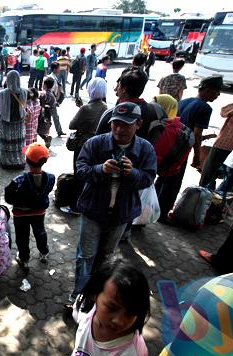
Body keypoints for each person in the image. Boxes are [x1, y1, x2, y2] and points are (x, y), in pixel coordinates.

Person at [70, 103, 156, 303]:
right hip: (93, 210)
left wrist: (132, 172)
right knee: (86, 256)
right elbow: (81, 170)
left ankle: (96, 296)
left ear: (139, 124)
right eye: (115, 124)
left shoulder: (145, 149)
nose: (119, 129)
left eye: (126, 125)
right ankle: (78, 296)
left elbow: (149, 179)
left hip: (121, 215)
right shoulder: (95, 143)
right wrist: (100, 169)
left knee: (106, 257)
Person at [64, 263, 151, 356]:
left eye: (131, 312)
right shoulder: (87, 310)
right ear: (95, 295)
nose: (119, 320)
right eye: (112, 308)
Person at [5, 143, 55, 272]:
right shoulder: (50, 177)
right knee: (40, 231)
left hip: (20, 215)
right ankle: (44, 252)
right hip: (39, 212)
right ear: (45, 161)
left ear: (26, 160)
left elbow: (8, 198)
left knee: (22, 236)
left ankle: (24, 259)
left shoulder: (19, 180)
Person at [151, 94, 194, 221]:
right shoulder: (179, 128)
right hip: (168, 168)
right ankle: (157, 213)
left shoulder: (158, 125)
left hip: (156, 165)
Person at [96, 66, 163, 143]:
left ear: (124, 89)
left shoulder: (112, 114)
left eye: (119, 84)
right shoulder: (154, 110)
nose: (116, 88)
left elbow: (97, 144)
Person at [178, 75, 224, 172]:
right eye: (217, 91)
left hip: (171, 145)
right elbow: (197, 134)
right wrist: (197, 156)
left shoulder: (183, 101)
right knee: (173, 181)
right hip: (182, 150)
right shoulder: (205, 108)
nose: (218, 95)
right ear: (207, 90)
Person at [68, 78, 108, 172]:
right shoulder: (105, 107)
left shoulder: (85, 109)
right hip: (98, 146)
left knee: (79, 172)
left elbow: (71, 125)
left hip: (83, 145)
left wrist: (81, 108)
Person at [0, 70, 28, 169]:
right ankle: (20, 160)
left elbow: (0, 110)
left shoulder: (3, 93)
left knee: (7, 142)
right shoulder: (24, 91)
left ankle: (6, 162)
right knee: (19, 143)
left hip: (7, 122)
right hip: (19, 122)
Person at [37, 77, 58, 148]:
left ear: (45, 85)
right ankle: (46, 138)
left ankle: (45, 139)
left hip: (41, 114)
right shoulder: (52, 95)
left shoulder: (43, 94)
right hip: (48, 115)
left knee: (37, 129)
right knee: (43, 128)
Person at [47, 61, 65, 137]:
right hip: (51, 101)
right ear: (54, 69)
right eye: (58, 68)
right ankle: (46, 133)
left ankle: (59, 131)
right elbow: (51, 91)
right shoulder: (52, 78)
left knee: (54, 117)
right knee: (52, 117)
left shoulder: (54, 77)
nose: (59, 70)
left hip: (52, 100)